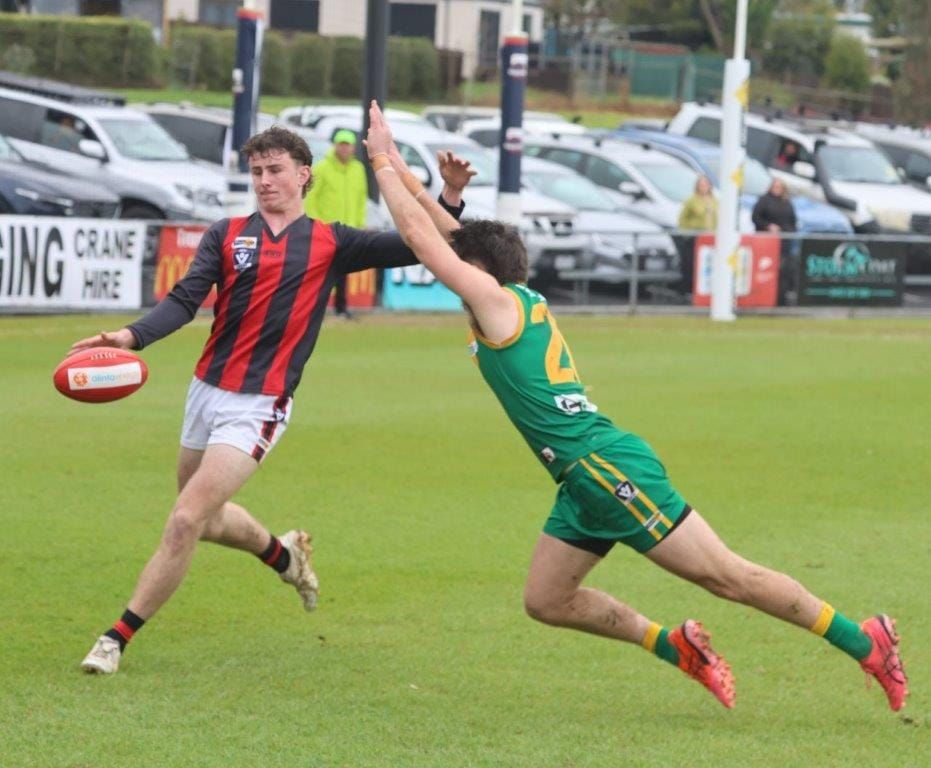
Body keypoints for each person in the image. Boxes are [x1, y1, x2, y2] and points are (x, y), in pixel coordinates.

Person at [364, 101, 908, 712]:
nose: (451, 268)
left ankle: (865, 640)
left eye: (463, 264)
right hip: (580, 479)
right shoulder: (512, 295)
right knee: (547, 599)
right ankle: (676, 647)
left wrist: (382, 154)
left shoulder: (495, 303)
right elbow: (445, 233)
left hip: (605, 467)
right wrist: (440, 187)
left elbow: (419, 235)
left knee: (726, 575)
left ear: (481, 274)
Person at [71, 126, 468, 675]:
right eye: (257, 172)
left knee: (185, 520)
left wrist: (448, 197)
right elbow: (185, 301)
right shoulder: (227, 233)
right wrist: (130, 337)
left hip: (259, 405)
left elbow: (425, 242)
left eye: (275, 170)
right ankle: (284, 555)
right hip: (205, 391)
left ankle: (115, 638)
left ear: (304, 174)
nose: (264, 181)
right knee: (203, 520)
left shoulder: (333, 242)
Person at [304, 128, 368, 319]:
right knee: (319, 270)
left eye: (347, 145)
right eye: (341, 144)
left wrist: (359, 224)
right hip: (325, 228)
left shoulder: (358, 169)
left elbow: (361, 199)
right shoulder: (322, 168)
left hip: (348, 229)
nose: (344, 149)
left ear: (353, 148)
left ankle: (341, 307)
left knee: (342, 271)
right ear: (335, 146)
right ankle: (312, 308)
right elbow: (311, 197)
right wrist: (314, 222)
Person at [676, 175, 718, 298]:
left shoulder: (715, 201)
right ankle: (688, 291)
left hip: (711, 238)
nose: (704, 187)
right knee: (691, 265)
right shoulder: (691, 201)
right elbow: (682, 220)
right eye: (701, 184)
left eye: (706, 184)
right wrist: (686, 234)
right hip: (694, 238)